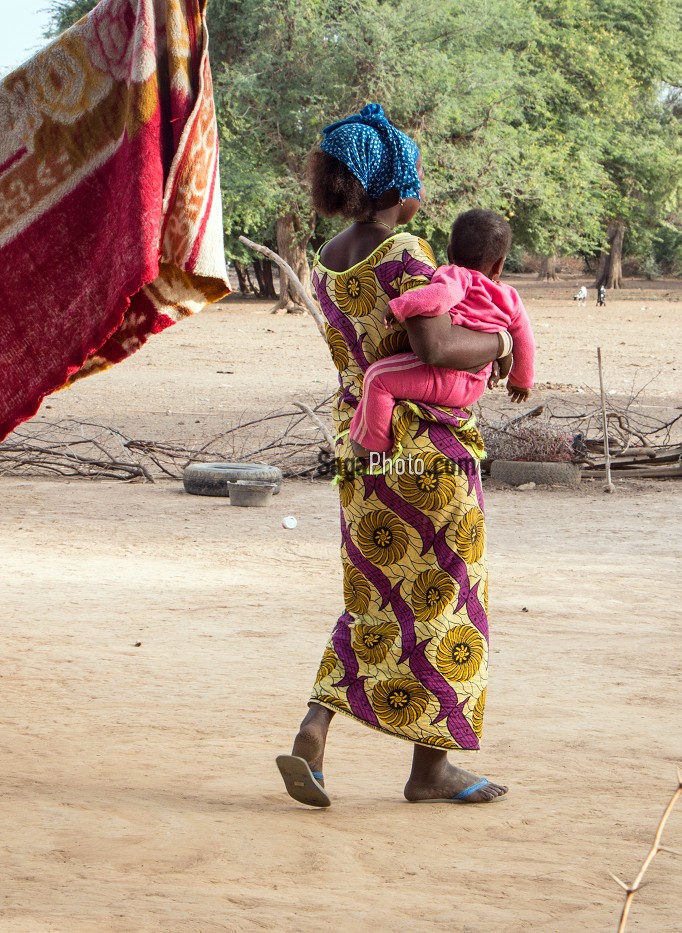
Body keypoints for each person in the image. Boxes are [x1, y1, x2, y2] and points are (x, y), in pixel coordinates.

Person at [274, 103, 508, 807]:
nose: (425, 187)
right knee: (451, 600)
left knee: (374, 597)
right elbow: (435, 349)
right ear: (395, 184)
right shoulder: (406, 256)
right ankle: (431, 769)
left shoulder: (327, 264)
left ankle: (315, 728)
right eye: (417, 174)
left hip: (363, 456)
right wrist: (503, 344)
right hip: (426, 453)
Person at [347, 208, 535, 458]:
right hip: (477, 382)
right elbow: (524, 339)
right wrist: (521, 381)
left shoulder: (459, 276)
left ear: (449, 253)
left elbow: (439, 296)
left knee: (378, 378)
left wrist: (401, 306)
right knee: (382, 377)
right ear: (499, 265)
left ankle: (374, 445)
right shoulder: (510, 297)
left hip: (446, 374)